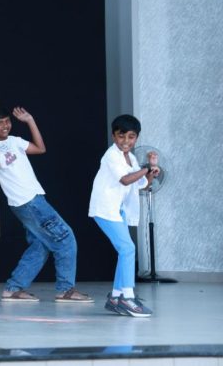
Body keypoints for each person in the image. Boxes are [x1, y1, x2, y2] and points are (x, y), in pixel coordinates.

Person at [0, 103, 93, 303]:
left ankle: (13, 288)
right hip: (29, 202)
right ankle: (66, 290)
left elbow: (40, 148)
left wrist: (30, 121)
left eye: (7, 121)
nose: (5, 126)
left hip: (32, 200)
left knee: (40, 245)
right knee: (65, 239)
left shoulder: (15, 140)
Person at [89, 114, 158, 318]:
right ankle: (127, 298)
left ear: (136, 138)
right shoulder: (111, 155)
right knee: (128, 249)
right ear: (113, 136)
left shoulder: (131, 158)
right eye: (121, 136)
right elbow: (126, 180)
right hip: (105, 208)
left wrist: (151, 171)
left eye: (131, 137)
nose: (126, 141)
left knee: (125, 251)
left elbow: (142, 185)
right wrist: (146, 168)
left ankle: (116, 297)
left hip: (118, 209)